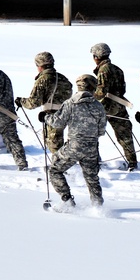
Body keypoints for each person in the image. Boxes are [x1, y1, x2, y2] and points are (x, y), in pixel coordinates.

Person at [45, 74, 106, 210]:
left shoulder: (70, 103)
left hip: (74, 146)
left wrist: (46, 117)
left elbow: (58, 122)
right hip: (92, 147)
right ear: (93, 88)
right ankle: (98, 208)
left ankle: (67, 201)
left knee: (55, 170)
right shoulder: (98, 106)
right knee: (92, 178)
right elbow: (101, 131)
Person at [90, 42, 138, 171]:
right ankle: (132, 162)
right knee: (125, 136)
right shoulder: (118, 69)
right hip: (119, 106)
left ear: (96, 56)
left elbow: (101, 91)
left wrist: (90, 100)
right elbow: (122, 89)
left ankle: (94, 160)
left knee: (91, 132)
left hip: (105, 107)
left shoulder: (103, 70)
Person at [15, 51, 73, 154]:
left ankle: (59, 168)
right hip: (65, 113)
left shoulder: (43, 79)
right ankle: (60, 166)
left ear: (40, 65)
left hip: (51, 116)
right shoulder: (63, 78)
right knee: (58, 142)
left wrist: (21, 101)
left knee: (54, 145)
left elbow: (33, 102)